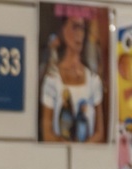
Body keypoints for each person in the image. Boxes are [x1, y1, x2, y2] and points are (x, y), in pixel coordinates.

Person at [39, 8, 105, 143]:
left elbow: (100, 132)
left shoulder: (93, 80)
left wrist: (83, 149)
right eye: (75, 27)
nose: (79, 34)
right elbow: (47, 133)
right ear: (63, 31)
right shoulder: (52, 79)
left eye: (82, 29)